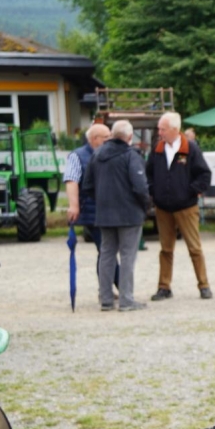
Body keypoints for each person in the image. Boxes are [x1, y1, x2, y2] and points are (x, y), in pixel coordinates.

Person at [83, 120, 150, 312]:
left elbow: (87, 185)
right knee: (128, 256)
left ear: (112, 135)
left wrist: (102, 201)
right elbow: (140, 186)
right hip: (129, 214)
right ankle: (126, 300)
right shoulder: (131, 156)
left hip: (104, 214)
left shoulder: (97, 155)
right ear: (129, 137)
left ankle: (106, 299)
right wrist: (144, 205)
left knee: (106, 255)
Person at [146, 111, 213, 301]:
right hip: (163, 208)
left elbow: (204, 175)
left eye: (163, 129)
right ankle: (164, 287)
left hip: (186, 207)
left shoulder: (190, 148)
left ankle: (204, 285)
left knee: (194, 248)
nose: (160, 132)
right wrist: (154, 191)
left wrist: (190, 191)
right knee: (165, 249)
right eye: (159, 129)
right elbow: (148, 173)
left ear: (175, 129)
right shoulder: (157, 149)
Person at [64, 123, 112, 281]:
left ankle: (107, 289)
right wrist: (74, 206)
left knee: (105, 250)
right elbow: (71, 181)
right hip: (92, 211)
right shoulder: (77, 156)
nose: (109, 140)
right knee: (105, 250)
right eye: (106, 137)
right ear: (94, 139)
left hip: (109, 210)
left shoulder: (109, 153)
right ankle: (116, 287)